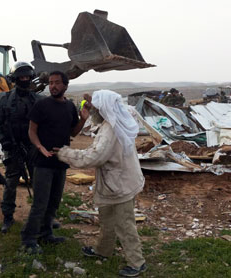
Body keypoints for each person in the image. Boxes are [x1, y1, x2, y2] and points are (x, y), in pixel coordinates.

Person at [56, 90, 147, 277]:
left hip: (120, 183)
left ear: (103, 107)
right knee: (107, 219)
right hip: (118, 181)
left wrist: (65, 153)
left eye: (95, 106)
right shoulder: (117, 119)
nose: (92, 109)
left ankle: (137, 263)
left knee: (124, 224)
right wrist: (89, 103)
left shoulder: (110, 129)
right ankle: (103, 251)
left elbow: (95, 156)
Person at [20, 70, 89, 254]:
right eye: (50, 83)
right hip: (43, 161)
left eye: (57, 82)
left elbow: (72, 133)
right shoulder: (42, 105)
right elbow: (31, 131)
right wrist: (40, 147)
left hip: (61, 160)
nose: (53, 86)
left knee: (54, 201)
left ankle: (46, 233)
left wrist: (83, 119)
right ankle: (28, 239)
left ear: (65, 86)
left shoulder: (69, 107)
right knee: (40, 202)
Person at [0, 61, 42, 233]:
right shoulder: (5, 99)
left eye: (27, 77)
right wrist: (3, 140)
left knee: (38, 183)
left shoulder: (37, 99)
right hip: (12, 148)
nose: (24, 80)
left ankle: (41, 218)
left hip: (33, 148)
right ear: (15, 79)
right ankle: (8, 217)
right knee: (11, 183)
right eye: (21, 77)